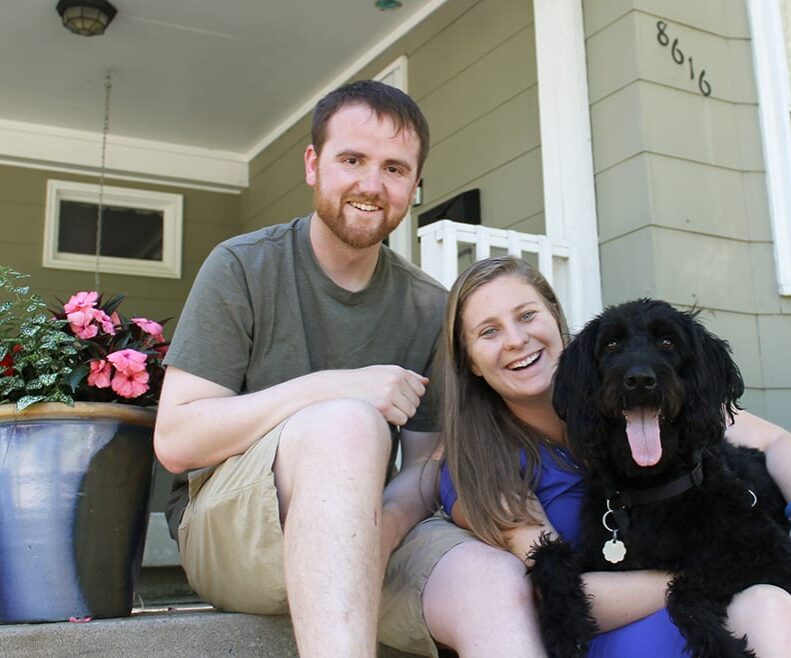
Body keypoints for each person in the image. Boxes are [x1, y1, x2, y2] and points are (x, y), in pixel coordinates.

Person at [154, 80, 540, 657]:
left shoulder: (429, 306)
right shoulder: (242, 266)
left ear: (414, 185)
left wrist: (382, 526)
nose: (371, 184)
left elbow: (429, 462)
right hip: (233, 530)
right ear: (313, 164)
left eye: (394, 168)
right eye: (352, 160)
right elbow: (177, 440)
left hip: (369, 528)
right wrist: (331, 388)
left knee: (497, 583)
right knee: (348, 424)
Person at [436, 255, 791, 657]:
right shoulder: (485, 462)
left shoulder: (671, 409)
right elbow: (556, 592)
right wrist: (703, 577)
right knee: (767, 608)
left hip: (726, 596)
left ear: (556, 321)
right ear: (470, 362)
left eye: (525, 316)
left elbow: (778, 444)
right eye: (489, 331)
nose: (517, 340)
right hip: (636, 624)